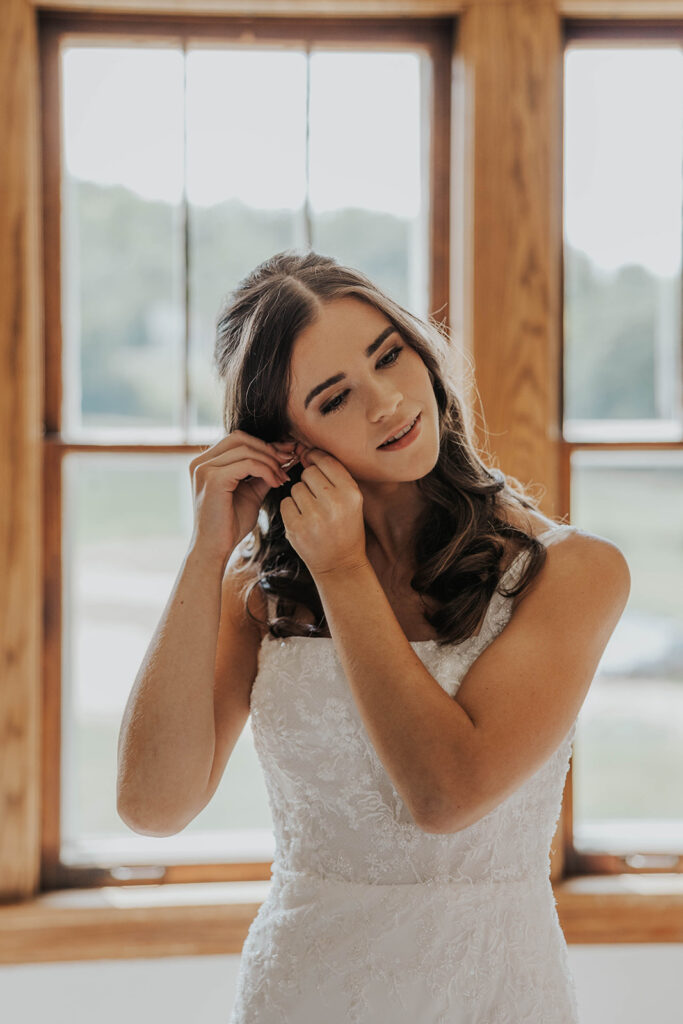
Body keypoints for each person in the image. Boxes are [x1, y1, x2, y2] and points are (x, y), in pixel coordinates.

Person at [119, 248, 630, 1022]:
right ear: (284, 443)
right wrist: (207, 553)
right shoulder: (252, 594)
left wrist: (344, 571)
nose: (388, 402)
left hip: (493, 992)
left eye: (389, 355)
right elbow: (153, 806)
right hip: (303, 990)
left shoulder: (573, 572)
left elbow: (446, 793)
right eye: (334, 397)